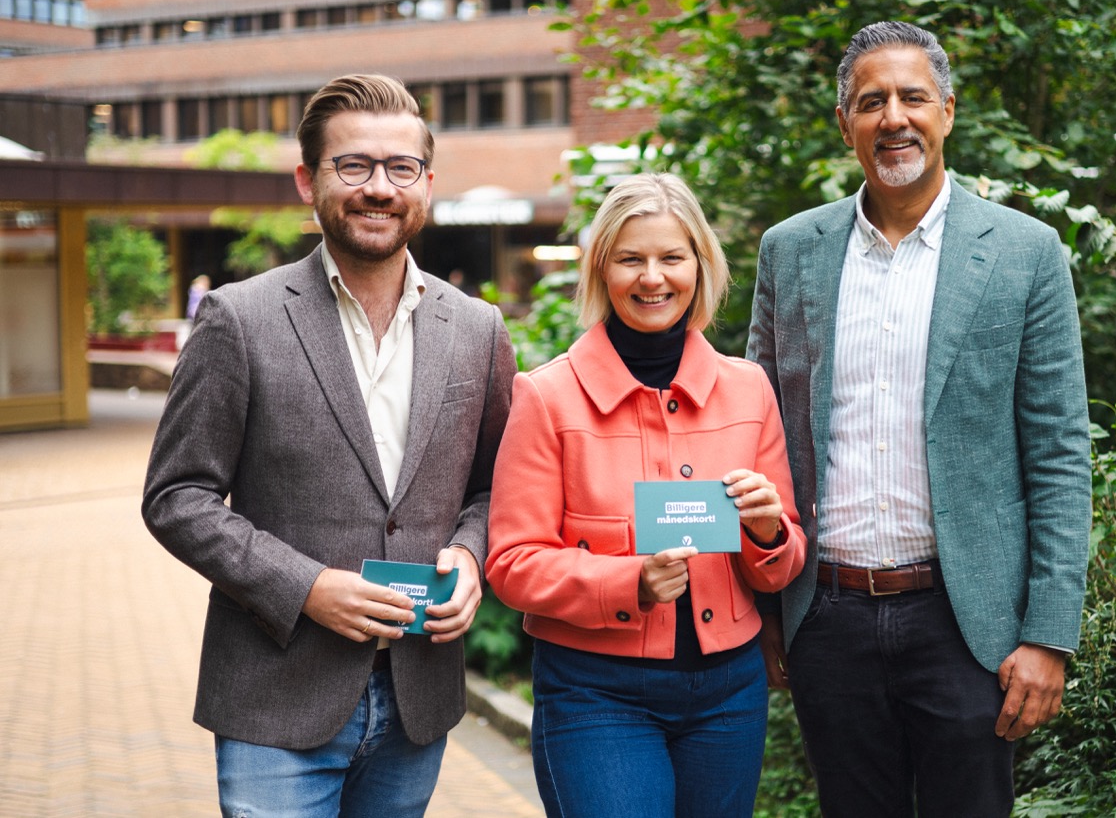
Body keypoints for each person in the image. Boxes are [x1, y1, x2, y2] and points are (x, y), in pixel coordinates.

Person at [142, 73, 515, 817]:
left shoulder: (478, 328)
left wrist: (472, 556)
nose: (379, 187)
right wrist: (306, 586)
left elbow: (495, 486)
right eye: (354, 166)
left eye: (399, 168)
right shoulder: (236, 319)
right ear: (308, 180)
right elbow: (175, 496)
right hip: (274, 699)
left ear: (427, 184)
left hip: (418, 696)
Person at [746, 21, 1091, 816]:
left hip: (966, 623)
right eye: (871, 102)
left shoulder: (1024, 253)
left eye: (912, 97)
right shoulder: (790, 251)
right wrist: (766, 609)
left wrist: (1047, 635)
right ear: (845, 125)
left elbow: (1061, 454)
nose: (892, 117)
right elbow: (760, 435)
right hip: (825, 616)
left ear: (948, 112)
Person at [486, 172, 807, 818]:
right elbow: (511, 563)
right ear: (603, 269)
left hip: (729, 691)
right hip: (594, 692)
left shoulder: (749, 390)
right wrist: (629, 580)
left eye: (671, 257)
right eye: (631, 258)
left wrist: (769, 530)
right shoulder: (547, 395)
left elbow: (782, 563)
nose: (653, 278)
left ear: (700, 264)